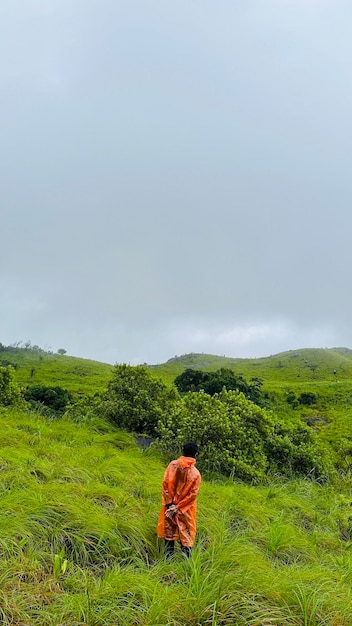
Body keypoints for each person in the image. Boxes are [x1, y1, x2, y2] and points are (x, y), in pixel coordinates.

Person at [157, 442, 201, 558]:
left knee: (169, 534)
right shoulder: (195, 474)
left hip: (169, 507)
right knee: (186, 536)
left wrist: (170, 504)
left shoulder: (172, 465)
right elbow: (192, 495)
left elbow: (165, 484)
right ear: (195, 455)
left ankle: (167, 561)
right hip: (185, 510)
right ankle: (187, 566)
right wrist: (178, 507)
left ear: (183, 452)